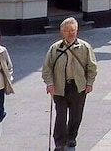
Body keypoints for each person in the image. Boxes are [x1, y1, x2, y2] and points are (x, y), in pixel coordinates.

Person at [42, 18, 98, 151]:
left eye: (73, 30)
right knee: (61, 116)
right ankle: (59, 142)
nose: (71, 33)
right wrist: (49, 83)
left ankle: (71, 137)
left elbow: (92, 67)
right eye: (67, 30)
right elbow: (47, 68)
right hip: (59, 86)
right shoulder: (55, 48)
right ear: (62, 32)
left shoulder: (85, 47)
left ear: (77, 30)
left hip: (78, 86)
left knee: (76, 116)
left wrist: (89, 83)